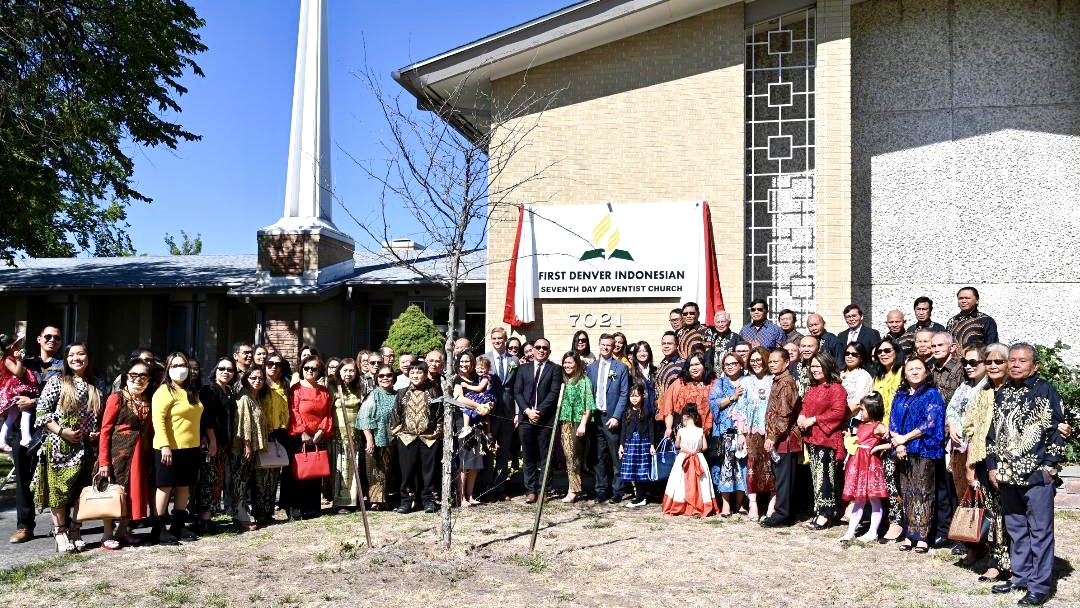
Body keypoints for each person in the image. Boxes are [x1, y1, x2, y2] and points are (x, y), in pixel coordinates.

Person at [986, 343, 1064, 605]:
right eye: (1013, 360)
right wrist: (992, 465)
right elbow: (993, 432)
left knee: (1039, 531)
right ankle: (1020, 577)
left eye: (1022, 361)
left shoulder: (1045, 391)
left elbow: (1056, 432)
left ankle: (1040, 586)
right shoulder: (1003, 392)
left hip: (1036, 475)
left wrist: (1049, 466)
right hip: (1007, 474)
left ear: (1035, 366)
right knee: (1016, 529)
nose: (1016, 365)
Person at [34, 343, 102, 553]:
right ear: (65, 359)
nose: (76, 358)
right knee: (59, 491)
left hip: (85, 448)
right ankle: (60, 531)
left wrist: (94, 432)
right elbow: (42, 413)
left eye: (81, 353)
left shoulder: (96, 385)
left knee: (81, 491)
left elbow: (96, 417)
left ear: (88, 357)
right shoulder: (58, 381)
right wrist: (62, 431)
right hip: (59, 446)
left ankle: (76, 529)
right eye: (71, 355)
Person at [962, 343, 1013, 584]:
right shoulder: (982, 393)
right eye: (989, 362)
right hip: (983, 460)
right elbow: (972, 430)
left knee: (1011, 515)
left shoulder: (1015, 392)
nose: (993, 366)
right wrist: (969, 465)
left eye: (998, 362)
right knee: (993, 514)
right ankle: (996, 563)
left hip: (1011, 463)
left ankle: (1016, 562)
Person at [9, 326, 64, 544]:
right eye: (48, 336)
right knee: (23, 477)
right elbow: (9, 385)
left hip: (51, 428)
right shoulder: (25, 363)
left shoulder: (63, 367)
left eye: (57, 338)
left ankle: (61, 525)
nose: (52, 340)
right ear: (39, 339)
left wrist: (34, 401)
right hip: (24, 428)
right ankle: (24, 526)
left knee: (57, 476)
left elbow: (63, 397)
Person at [889, 357, 946, 553]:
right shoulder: (901, 395)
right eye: (910, 369)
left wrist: (905, 438)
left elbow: (930, 423)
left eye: (918, 368)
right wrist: (898, 443)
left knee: (923, 491)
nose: (914, 372)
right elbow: (893, 422)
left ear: (926, 372)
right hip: (902, 449)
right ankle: (909, 533)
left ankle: (922, 537)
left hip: (923, 448)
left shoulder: (932, 394)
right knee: (906, 492)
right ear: (904, 373)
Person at [97, 360, 155, 549]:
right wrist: (104, 461)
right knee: (111, 491)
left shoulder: (148, 399)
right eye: (133, 375)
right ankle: (107, 534)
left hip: (139, 455)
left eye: (143, 376)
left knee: (132, 493)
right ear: (126, 376)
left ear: (149, 379)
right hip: (117, 454)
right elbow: (105, 430)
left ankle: (122, 531)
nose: (138, 379)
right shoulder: (117, 398)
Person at [151, 351, 204, 544]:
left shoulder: (191, 391)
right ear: (167, 369)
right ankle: (159, 529)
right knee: (165, 488)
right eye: (174, 366)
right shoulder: (164, 391)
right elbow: (158, 420)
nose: (179, 369)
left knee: (184, 488)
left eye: (183, 365)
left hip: (191, 448)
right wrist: (165, 445)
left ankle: (178, 526)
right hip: (169, 449)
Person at [798, 352, 848, 529]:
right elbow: (805, 406)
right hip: (813, 438)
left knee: (826, 477)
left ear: (827, 366)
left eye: (819, 366)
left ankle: (826, 513)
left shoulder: (836, 388)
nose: (815, 370)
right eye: (812, 367)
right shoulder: (813, 388)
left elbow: (838, 413)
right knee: (816, 476)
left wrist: (814, 420)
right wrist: (802, 415)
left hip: (827, 438)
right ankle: (819, 509)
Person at [945, 344, 988, 542]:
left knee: (977, 494)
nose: (968, 367)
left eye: (973, 362)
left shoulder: (988, 387)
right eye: (965, 362)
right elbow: (952, 409)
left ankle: (980, 538)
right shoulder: (965, 386)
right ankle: (966, 537)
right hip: (958, 446)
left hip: (977, 449)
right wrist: (952, 424)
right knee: (962, 492)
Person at [282, 355, 333, 520]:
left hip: (317, 436)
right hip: (298, 436)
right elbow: (293, 411)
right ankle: (294, 508)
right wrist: (302, 432)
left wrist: (320, 431)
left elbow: (327, 413)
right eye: (307, 368)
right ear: (301, 369)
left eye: (314, 369)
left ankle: (311, 507)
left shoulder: (324, 391)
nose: (310, 371)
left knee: (314, 471)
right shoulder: (295, 389)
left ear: (319, 372)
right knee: (296, 473)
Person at [513, 338, 562, 504]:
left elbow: (554, 393)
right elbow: (517, 391)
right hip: (526, 419)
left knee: (545, 457)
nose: (541, 350)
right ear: (532, 350)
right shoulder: (523, 369)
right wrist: (527, 411)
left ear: (549, 351)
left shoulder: (555, 369)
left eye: (545, 348)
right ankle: (530, 490)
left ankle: (543, 490)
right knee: (528, 456)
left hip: (545, 419)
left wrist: (538, 412)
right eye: (538, 347)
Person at [194, 356, 238, 535]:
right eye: (222, 369)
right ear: (215, 370)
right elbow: (207, 418)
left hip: (223, 443)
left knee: (217, 480)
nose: (226, 372)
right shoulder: (208, 390)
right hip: (212, 443)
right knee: (209, 480)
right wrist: (212, 441)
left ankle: (210, 516)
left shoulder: (228, 391)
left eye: (230, 370)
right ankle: (204, 520)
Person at [391, 361, 442, 513]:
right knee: (407, 472)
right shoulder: (402, 393)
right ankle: (406, 501)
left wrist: (437, 432)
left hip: (429, 438)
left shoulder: (434, 391)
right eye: (412, 372)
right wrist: (399, 432)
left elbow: (439, 413)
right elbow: (396, 413)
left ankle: (428, 501)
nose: (415, 375)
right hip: (407, 438)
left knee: (429, 471)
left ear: (425, 375)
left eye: (419, 372)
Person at [839, 392, 890, 542]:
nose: (861, 413)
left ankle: (872, 531)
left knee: (874, 499)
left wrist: (879, 448)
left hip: (871, 465)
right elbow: (857, 442)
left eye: (863, 410)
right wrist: (849, 438)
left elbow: (893, 440)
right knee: (858, 499)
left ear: (873, 409)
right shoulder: (860, 425)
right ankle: (850, 531)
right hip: (857, 464)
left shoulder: (879, 426)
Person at [761, 348, 802, 527]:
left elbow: (784, 414)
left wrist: (772, 436)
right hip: (780, 438)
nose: (771, 365)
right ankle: (786, 513)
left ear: (786, 363)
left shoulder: (786, 383)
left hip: (785, 439)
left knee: (785, 478)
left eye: (775, 361)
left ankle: (782, 515)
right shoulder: (777, 380)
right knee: (782, 477)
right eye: (770, 362)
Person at [733, 347, 775, 521]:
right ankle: (753, 504)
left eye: (759, 360)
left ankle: (773, 504)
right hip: (751, 432)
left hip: (772, 431)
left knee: (772, 468)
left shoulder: (774, 380)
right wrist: (741, 433)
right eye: (753, 360)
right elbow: (741, 408)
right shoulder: (745, 381)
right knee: (751, 468)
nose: (756, 363)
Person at [587, 334, 630, 502]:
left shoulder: (620, 368)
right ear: (599, 345)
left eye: (609, 345)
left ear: (614, 348)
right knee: (599, 456)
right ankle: (601, 489)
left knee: (615, 455)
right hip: (595, 417)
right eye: (603, 344)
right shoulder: (592, 367)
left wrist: (616, 416)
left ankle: (617, 490)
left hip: (611, 417)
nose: (606, 347)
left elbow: (624, 394)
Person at [872, 336, 906, 541]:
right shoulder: (879, 376)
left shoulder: (902, 373)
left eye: (887, 350)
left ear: (896, 351)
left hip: (897, 434)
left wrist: (890, 430)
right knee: (884, 479)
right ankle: (886, 519)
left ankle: (897, 523)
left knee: (894, 481)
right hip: (879, 433)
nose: (883, 354)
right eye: (880, 352)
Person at [708, 352, 747, 517]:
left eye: (734, 363)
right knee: (726, 468)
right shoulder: (720, 383)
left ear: (741, 365)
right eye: (727, 364)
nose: (730, 367)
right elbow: (713, 403)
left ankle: (740, 504)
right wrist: (732, 397)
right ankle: (725, 505)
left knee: (742, 468)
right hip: (725, 432)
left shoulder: (747, 381)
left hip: (744, 431)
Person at [661, 405, 718, 517]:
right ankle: (700, 504)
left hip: (684, 458)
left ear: (685, 417)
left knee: (680, 482)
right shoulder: (700, 431)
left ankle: (681, 505)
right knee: (701, 483)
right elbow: (705, 446)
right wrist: (696, 450)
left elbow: (677, 445)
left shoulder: (681, 431)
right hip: (698, 457)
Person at [233, 365, 271, 530]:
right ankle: (240, 517)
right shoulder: (244, 398)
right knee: (241, 483)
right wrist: (247, 446)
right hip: (245, 449)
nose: (257, 381)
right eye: (253, 378)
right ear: (246, 379)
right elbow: (243, 425)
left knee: (255, 483)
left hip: (256, 448)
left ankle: (256, 513)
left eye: (261, 378)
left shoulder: (256, 397)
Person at [355, 364, 396, 511]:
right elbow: (364, 417)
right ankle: (374, 501)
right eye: (382, 376)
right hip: (376, 439)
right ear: (377, 379)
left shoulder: (397, 395)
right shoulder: (373, 395)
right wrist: (369, 439)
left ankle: (384, 499)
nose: (385, 378)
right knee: (374, 470)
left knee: (387, 470)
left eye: (389, 375)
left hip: (392, 440)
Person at [256, 353, 291, 522]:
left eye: (277, 364)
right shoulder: (260, 384)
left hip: (281, 432)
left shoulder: (285, 384)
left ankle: (269, 511)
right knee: (262, 473)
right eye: (270, 363)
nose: (274, 367)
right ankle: (260, 511)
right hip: (264, 432)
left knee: (275, 472)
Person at [450, 352, 488, 507]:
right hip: (462, 422)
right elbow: (459, 399)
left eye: (468, 361)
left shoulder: (477, 380)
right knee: (464, 462)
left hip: (477, 422)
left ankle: (470, 495)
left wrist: (488, 405)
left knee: (475, 462)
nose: (465, 364)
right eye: (462, 361)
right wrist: (479, 406)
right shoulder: (457, 379)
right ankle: (461, 498)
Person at [556, 352, 594, 504]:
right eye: (565, 363)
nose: (567, 366)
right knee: (568, 456)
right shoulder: (565, 380)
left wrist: (583, 424)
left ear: (577, 364)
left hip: (578, 422)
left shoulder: (584, 380)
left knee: (574, 457)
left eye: (570, 363)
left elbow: (589, 404)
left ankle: (573, 490)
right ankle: (574, 488)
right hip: (565, 422)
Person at [485, 327, 517, 501]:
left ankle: (500, 488)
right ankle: (487, 488)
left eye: (500, 338)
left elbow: (517, 388)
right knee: (489, 451)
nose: (497, 341)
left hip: (508, 411)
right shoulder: (484, 359)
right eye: (494, 338)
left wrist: (517, 412)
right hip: (490, 412)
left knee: (504, 452)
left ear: (505, 340)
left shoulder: (514, 360)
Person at [330, 358, 364, 511]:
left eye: (352, 370)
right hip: (339, 434)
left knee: (353, 466)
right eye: (345, 370)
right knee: (341, 468)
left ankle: (353, 501)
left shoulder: (359, 388)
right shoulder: (333, 388)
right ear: (339, 372)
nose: (348, 374)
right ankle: (340, 502)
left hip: (355, 433)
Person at [660, 353, 715, 442]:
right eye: (691, 365)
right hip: (684, 433)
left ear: (704, 365)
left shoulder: (713, 383)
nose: (694, 368)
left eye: (697, 364)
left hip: (708, 433)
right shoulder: (680, 383)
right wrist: (668, 428)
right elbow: (668, 407)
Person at [619, 383, 655, 507]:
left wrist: (652, 445)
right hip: (630, 443)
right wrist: (621, 445)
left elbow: (651, 429)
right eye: (632, 396)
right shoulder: (627, 412)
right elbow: (623, 430)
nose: (634, 398)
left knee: (642, 470)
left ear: (642, 396)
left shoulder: (646, 411)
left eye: (637, 396)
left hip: (643, 443)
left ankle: (641, 497)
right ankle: (638, 495)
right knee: (633, 469)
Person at [0, 333, 37, 452]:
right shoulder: (7, 359)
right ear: (11, 347)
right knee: (26, 410)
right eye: (17, 345)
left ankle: (2, 441)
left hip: (16, 389)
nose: (20, 346)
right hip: (15, 390)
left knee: (12, 416)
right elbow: (18, 373)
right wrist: (19, 360)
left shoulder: (10, 357)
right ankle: (25, 438)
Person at [457, 355, 494, 436]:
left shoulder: (485, 378)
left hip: (485, 397)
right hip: (483, 398)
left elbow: (479, 388)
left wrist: (467, 386)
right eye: (478, 368)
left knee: (466, 408)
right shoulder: (478, 378)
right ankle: (487, 432)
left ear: (487, 369)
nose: (480, 370)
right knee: (469, 409)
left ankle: (467, 427)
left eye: (482, 368)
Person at [841, 343, 873, 412]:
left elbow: (856, 404)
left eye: (854, 354)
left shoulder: (863, 376)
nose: (849, 356)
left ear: (861, 358)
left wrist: (837, 418)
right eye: (847, 353)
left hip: (852, 417)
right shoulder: (839, 373)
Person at [710, 310, 743, 375]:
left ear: (729, 323)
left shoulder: (736, 338)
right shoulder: (711, 338)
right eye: (718, 322)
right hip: (713, 378)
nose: (720, 324)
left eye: (723, 322)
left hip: (731, 377)